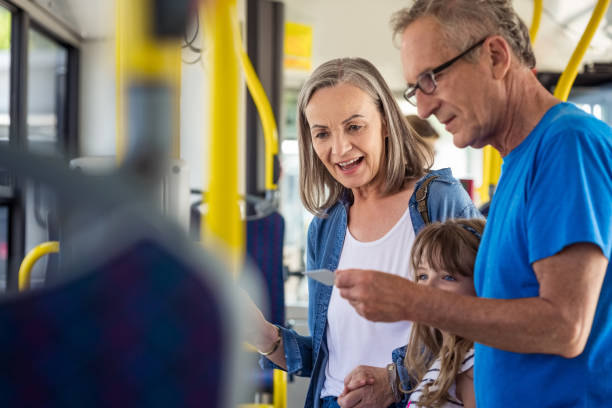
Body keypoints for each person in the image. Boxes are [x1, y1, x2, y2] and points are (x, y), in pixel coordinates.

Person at [335, 1, 612, 407]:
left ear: (496, 57)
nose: (424, 107)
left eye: (431, 79)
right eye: (415, 89)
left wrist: (414, 301)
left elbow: (564, 327)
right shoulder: (519, 163)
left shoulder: (567, 145)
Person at [247, 57, 481, 408]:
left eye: (354, 127)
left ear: (385, 123)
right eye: (322, 133)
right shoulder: (324, 228)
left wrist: (395, 380)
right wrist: (266, 338)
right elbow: (329, 360)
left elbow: (481, 321)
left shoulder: (437, 201)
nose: (339, 149)